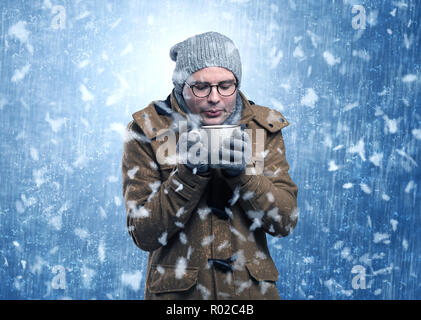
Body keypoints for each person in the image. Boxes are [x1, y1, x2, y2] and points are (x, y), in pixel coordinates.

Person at [122, 31, 298, 300]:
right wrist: (187, 176)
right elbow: (144, 234)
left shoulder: (263, 128)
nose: (215, 97)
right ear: (182, 85)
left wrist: (245, 177)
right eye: (201, 87)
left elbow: (284, 222)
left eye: (226, 86)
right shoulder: (148, 130)